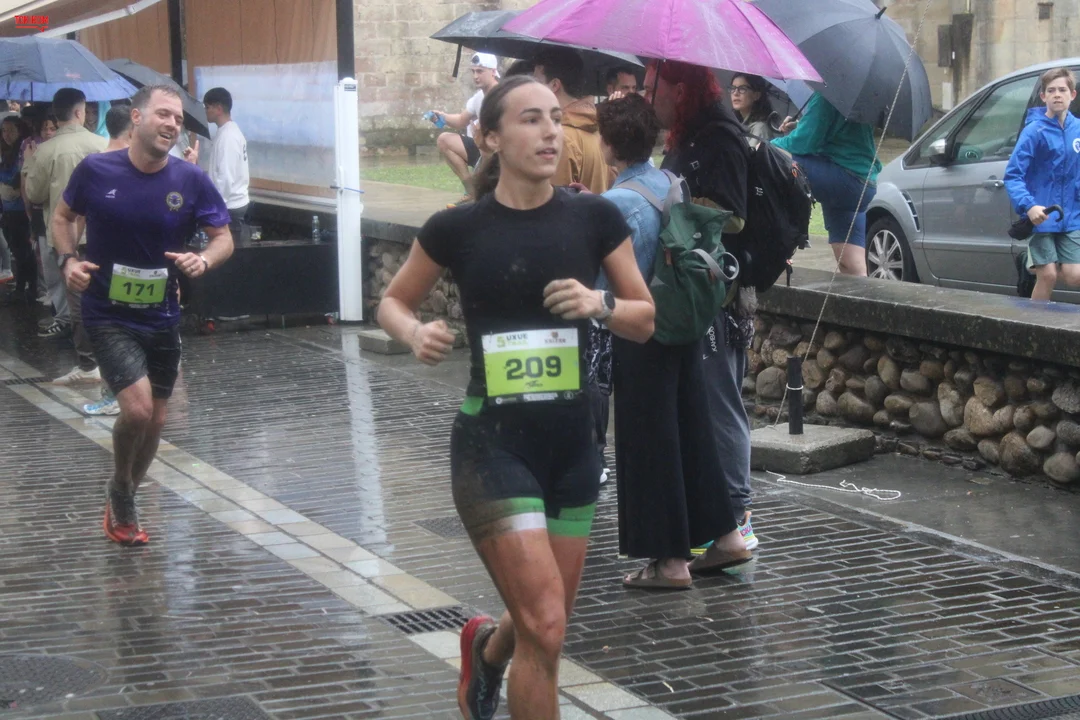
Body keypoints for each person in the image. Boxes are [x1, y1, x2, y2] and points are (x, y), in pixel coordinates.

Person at [377, 75, 654, 720]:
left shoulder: (595, 217)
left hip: (574, 443)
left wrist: (598, 303)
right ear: (491, 137)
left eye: (556, 118)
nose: (551, 131)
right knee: (546, 623)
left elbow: (645, 318)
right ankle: (495, 655)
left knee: (544, 626)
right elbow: (392, 301)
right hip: (493, 446)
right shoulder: (457, 227)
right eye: (531, 119)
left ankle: (487, 651)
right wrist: (414, 332)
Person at [53, 85, 233, 546]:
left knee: (156, 419)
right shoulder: (96, 170)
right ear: (136, 117)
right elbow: (62, 217)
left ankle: (128, 494)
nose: (173, 124)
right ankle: (120, 485)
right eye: (164, 114)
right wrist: (69, 261)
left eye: (179, 119)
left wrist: (204, 259)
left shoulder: (190, 179)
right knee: (136, 410)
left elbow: (223, 237)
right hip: (107, 311)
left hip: (162, 315)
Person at [648, 59, 761, 559]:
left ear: (677, 89)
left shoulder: (719, 136)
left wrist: (676, 207)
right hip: (691, 289)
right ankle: (715, 519)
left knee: (720, 403)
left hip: (715, 292)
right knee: (701, 403)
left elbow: (734, 215)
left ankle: (737, 518)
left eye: (652, 86)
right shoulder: (688, 134)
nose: (647, 95)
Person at [24, 89, 109, 390]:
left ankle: (88, 363)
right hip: (102, 235)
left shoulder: (45, 150)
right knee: (107, 297)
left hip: (66, 239)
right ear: (80, 112)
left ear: (56, 115)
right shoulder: (102, 145)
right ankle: (112, 358)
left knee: (78, 302)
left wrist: (29, 164)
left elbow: (34, 194)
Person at [772, 93, 881, 276]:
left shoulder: (827, 94)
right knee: (850, 263)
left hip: (844, 178)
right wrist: (800, 126)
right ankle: (862, 294)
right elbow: (838, 130)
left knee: (772, 157)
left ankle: (769, 254)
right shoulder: (849, 93)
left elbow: (803, 142)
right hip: (862, 183)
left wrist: (767, 145)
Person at [81, 103, 138, 418]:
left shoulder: (93, 165)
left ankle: (115, 395)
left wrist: (69, 257)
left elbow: (71, 215)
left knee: (110, 330)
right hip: (142, 264)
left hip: (102, 262)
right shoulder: (149, 166)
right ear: (133, 128)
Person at [1004, 67, 1080, 302]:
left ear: (1072, 95)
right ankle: (1035, 322)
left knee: (1075, 276)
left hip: (1072, 215)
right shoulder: (1034, 131)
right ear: (1043, 96)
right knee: (1047, 275)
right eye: (1051, 90)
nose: (1057, 95)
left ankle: (1028, 264)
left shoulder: (1078, 130)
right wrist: (1029, 206)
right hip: (1042, 215)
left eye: (1062, 90)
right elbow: (1013, 175)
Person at [533, 48, 611, 193]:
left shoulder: (561, 138)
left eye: (537, 82)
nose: (532, 89)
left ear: (555, 85)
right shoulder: (597, 129)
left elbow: (553, 201)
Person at [430, 52, 500, 200]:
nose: (475, 76)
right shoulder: (478, 97)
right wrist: (442, 117)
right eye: (473, 71)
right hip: (481, 148)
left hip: (500, 153)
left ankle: (483, 191)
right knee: (444, 139)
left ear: (493, 72)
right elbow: (461, 120)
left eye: (480, 71)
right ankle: (471, 191)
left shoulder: (504, 95)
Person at [203, 87, 248, 241]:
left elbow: (225, 176)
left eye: (207, 107)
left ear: (219, 109)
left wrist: (215, 209)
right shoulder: (227, 132)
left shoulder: (228, 137)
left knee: (227, 250)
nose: (205, 111)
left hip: (229, 207)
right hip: (230, 204)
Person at [0, 117, 32, 302]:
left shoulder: (23, 150)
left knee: (23, 252)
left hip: (20, 210)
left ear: (20, 131)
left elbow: (21, 177)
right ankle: (23, 288)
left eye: (11, 130)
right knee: (18, 249)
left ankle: (26, 289)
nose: (7, 134)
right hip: (8, 209)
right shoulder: (5, 152)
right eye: (4, 130)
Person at [729, 74, 776, 149]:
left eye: (742, 89)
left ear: (756, 95)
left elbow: (749, 154)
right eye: (733, 88)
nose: (735, 93)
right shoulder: (736, 123)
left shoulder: (760, 128)